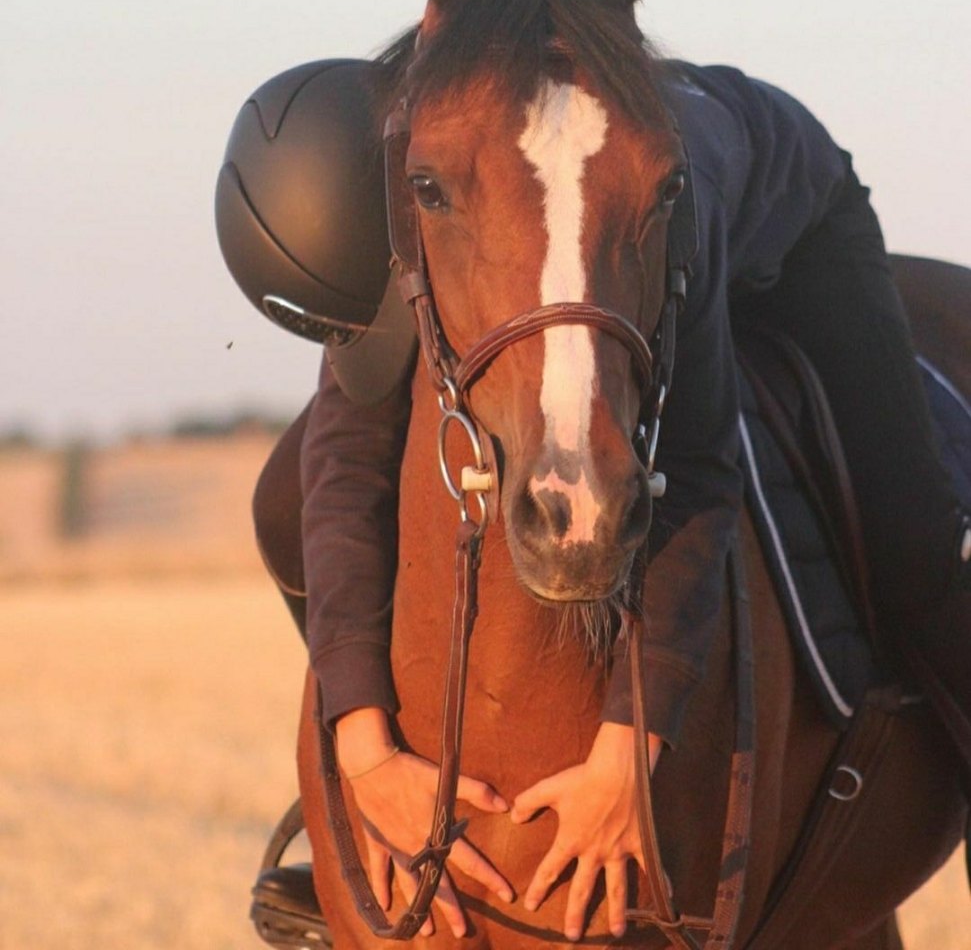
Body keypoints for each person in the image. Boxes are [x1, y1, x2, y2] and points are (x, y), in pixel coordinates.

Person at [220, 52, 971, 943]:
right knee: (284, 491)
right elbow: (344, 463)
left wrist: (628, 765)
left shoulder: (657, 191)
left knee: (911, 532)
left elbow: (694, 476)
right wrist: (364, 751)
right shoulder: (412, 196)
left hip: (774, 221)